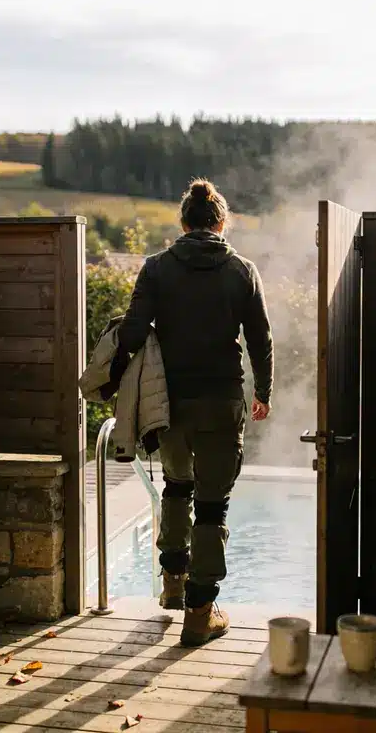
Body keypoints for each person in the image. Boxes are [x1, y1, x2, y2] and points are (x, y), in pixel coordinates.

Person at [112, 178, 274, 646]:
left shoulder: (156, 268)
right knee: (212, 503)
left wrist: (120, 382)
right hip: (222, 400)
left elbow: (133, 332)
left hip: (171, 402)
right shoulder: (242, 270)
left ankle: (172, 586)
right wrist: (263, 390)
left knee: (176, 487)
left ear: (183, 222)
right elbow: (260, 340)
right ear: (221, 221)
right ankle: (200, 614)